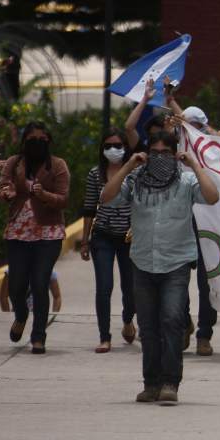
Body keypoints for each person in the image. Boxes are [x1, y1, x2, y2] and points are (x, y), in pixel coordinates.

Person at [100, 130, 219, 405]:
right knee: (149, 326)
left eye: (166, 153)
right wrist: (130, 165)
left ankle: (170, 382)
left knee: (172, 320)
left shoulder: (187, 181)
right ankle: (150, 383)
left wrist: (195, 165)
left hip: (175, 263)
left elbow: (212, 197)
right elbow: (107, 196)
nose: (160, 158)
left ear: (176, 154)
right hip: (142, 262)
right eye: (155, 153)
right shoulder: (136, 181)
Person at [0, 122, 70, 354]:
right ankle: (21, 314)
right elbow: (3, 187)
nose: (37, 143)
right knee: (17, 284)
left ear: (48, 141)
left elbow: (64, 198)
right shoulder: (13, 162)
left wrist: (44, 195)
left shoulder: (57, 165)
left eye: (42, 138)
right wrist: (7, 194)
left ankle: (39, 336)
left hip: (48, 232)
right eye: (32, 139)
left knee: (40, 282)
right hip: (18, 232)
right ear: (24, 141)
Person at [80, 128, 136, 353]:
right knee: (104, 287)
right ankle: (105, 336)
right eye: (108, 146)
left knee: (130, 287)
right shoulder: (95, 174)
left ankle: (127, 319)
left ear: (126, 148)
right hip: (102, 235)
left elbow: (142, 204)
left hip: (129, 237)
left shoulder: (135, 172)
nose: (113, 150)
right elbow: (88, 207)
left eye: (118, 145)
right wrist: (84, 240)